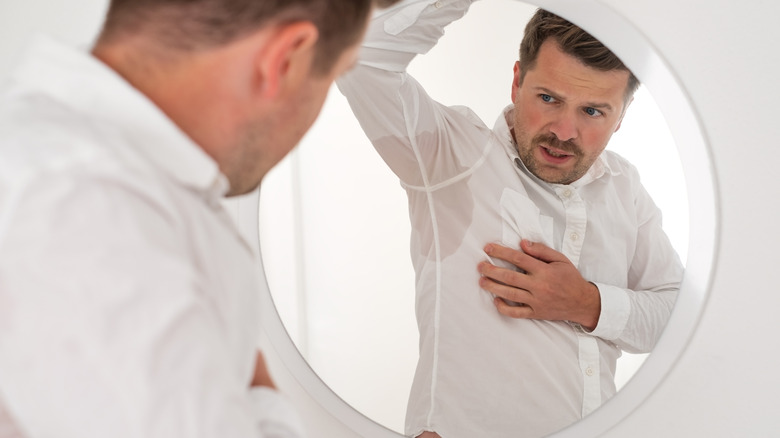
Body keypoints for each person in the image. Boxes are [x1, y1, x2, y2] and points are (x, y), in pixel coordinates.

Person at [0, 0, 400, 437]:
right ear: (286, 58)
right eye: (337, 73)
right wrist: (266, 405)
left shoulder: (84, 177)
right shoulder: (84, 207)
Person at [337, 1, 684, 437]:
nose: (563, 130)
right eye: (548, 98)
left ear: (622, 117)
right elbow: (362, 57)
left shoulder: (625, 188)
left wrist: (587, 303)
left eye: (593, 111)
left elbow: (678, 314)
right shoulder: (450, 156)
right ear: (517, 81)